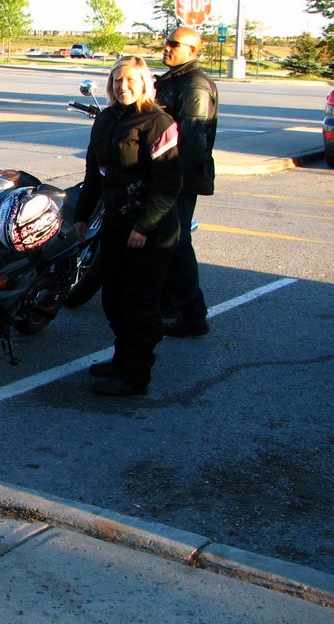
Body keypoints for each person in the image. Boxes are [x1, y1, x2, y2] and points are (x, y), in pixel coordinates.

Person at [73, 56, 182, 397]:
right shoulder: (106, 119)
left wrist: (145, 226)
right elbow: (94, 173)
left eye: (131, 80)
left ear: (145, 83)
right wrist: (82, 215)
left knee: (139, 304)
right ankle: (122, 358)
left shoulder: (158, 122)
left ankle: (135, 375)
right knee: (114, 298)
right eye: (117, 80)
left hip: (151, 229)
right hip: (116, 222)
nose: (123, 86)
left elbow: (168, 184)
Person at [154, 26, 218, 338]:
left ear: (192, 50)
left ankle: (193, 315)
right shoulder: (174, 79)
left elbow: (192, 139)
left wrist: (170, 176)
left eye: (175, 43)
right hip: (165, 172)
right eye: (167, 41)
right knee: (163, 240)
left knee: (176, 243)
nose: (167, 47)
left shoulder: (195, 85)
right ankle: (167, 303)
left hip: (178, 176)